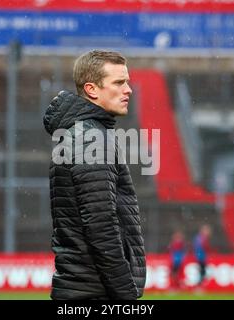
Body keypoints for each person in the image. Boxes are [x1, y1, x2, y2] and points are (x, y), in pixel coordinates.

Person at [43, 50, 146, 300]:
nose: (128, 90)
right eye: (119, 82)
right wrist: (126, 295)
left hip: (83, 288)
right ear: (92, 89)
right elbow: (101, 226)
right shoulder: (92, 138)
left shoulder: (84, 132)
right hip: (95, 292)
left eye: (128, 81)